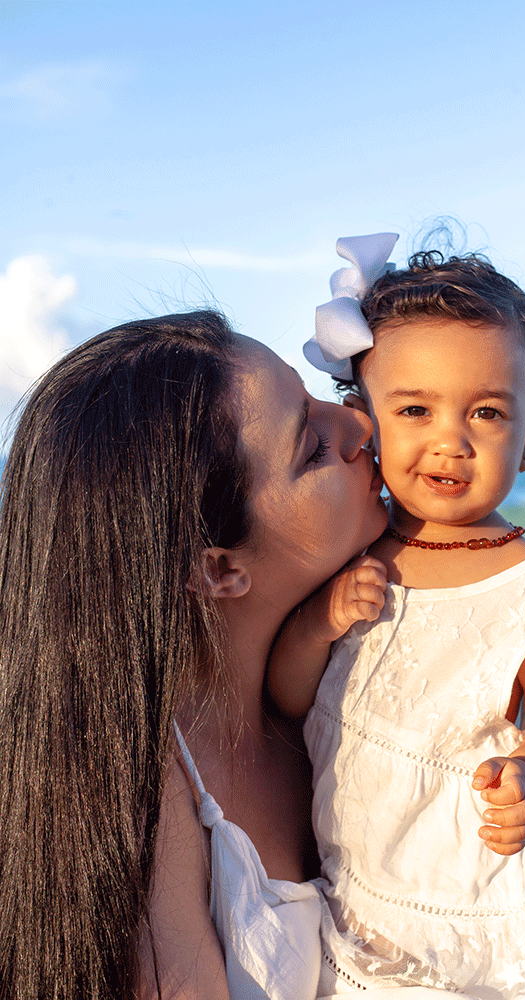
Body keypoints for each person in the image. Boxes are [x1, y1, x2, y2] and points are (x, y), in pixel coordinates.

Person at [268, 234, 525, 998]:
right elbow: (289, 697)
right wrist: (316, 626)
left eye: (488, 413)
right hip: (360, 876)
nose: (449, 441)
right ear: (363, 418)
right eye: (413, 408)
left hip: (473, 892)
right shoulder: (350, 551)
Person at [0, 309, 400, 1000]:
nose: (359, 426)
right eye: (310, 445)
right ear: (217, 569)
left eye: (315, 397)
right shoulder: (138, 793)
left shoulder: (345, 674)